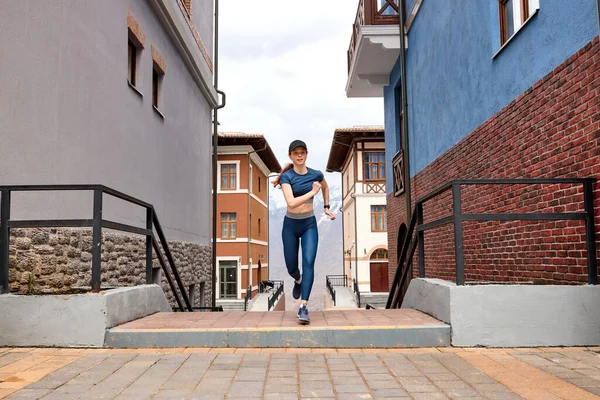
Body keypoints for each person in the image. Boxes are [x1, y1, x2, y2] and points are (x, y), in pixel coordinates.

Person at [272, 139, 336, 324]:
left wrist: (326, 207)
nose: (299, 155)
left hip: (309, 224)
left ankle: (303, 306)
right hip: (290, 225)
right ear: (290, 155)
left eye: (302, 152)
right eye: (296, 153)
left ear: (306, 154)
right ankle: (298, 280)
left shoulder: (316, 174)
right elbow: (291, 203)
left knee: (309, 262)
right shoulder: (287, 177)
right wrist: (311, 193)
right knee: (292, 266)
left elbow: (324, 186)